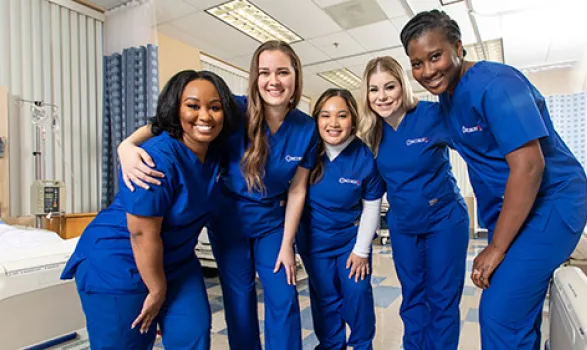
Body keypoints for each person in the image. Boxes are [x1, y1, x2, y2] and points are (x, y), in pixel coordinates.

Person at [401, 10, 587, 349]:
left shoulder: (497, 83)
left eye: (435, 56)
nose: (427, 71)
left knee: (499, 315)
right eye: (417, 64)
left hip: (552, 204)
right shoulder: (447, 101)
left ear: (458, 47)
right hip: (519, 211)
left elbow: (530, 166)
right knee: (515, 311)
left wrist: (497, 246)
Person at [116, 40, 318, 350]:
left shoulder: (307, 128)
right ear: (255, 76)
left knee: (284, 295)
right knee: (239, 301)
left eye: (283, 72)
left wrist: (288, 244)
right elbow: (174, 122)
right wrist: (126, 146)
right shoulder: (235, 108)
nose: (273, 81)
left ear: (296, 76)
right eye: (265, 72)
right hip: (228, 221)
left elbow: (298, 189)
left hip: (272, 225)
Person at [60, 70, 239, 349]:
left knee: (193, 333)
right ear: (176, 109)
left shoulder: (214, 150)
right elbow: (142, 234)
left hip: (176, 262)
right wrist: (156, 289)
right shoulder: (154, 158)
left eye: (214, 107)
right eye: (192, 106)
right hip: (120, 261)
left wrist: (126, 142)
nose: (205, 115)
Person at [359, 56, 470, 350]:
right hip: (404, 226)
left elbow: (477, 149)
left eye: (389, 86)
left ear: (403, 86)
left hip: (444, 220)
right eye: (374, 90)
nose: (382, 97)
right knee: (412, 298)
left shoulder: (432, 115)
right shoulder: (373, 133)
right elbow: (370, 189)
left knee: (442, 300)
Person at [296, 88, 384, 350]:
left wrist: (361, 250)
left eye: (341, 115)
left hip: (350, 242)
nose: (333, 123)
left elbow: (372, 207)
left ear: (353, 120)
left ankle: (361, 344)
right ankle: (331, 345)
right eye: (325, 115)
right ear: (316, 119)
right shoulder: (307, 151)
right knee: (325, 299)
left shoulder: (364, 156)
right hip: (314, 242)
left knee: (357, 294)